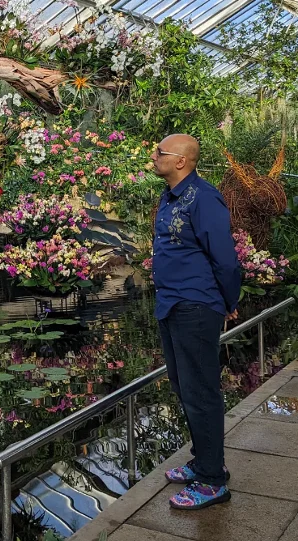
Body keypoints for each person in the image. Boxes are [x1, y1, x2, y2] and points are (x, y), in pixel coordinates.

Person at [150, 134, 241, 510]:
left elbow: (225, 258)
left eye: (160, 152)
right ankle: (205, 460)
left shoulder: (204, 198)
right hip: (170, 304)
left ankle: (212, 481)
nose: (153, 156)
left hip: (196, 305)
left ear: (181, 162)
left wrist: (228, 302)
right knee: (183, 387)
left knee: (202, 392)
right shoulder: (170, 196)